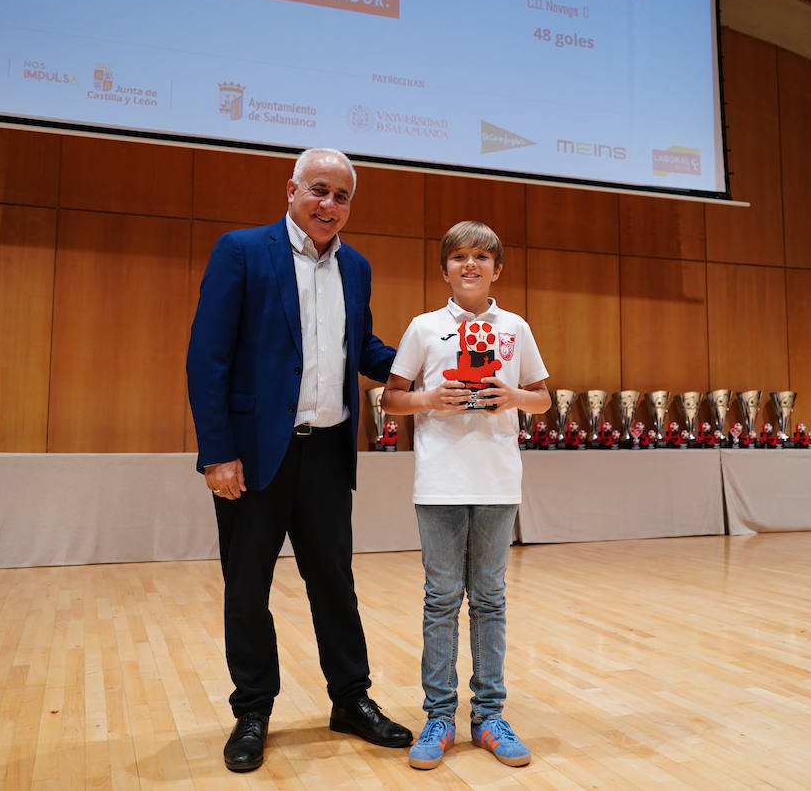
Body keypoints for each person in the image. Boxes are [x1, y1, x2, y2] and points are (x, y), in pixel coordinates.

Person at [185, 147, 411, 773]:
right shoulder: (243, 251)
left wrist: (426, 359)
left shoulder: (356, 266)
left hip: (327, 455)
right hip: (254, 459)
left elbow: (358, 345)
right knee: (248, 587)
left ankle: (351, 699)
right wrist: (218, 453)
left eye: (342, 197)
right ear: (290, 191)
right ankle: (253, 709)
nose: (329, 205)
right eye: (318, 191)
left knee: (335, 586)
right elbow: (208, 358)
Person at [380, 220, 551, 771]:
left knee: (491, 599)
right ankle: (438, 716)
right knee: (441, 599)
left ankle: (489, 716)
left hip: (499, 481)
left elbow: (543, 400)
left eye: (481, 257)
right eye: (459, 257)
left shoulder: (516, 327)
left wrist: (513, 395)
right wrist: (430, 400)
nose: (470, 265)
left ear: (497, 269)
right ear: (445, 270)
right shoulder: (424, 328)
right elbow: (391, 399)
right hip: (440, 483)